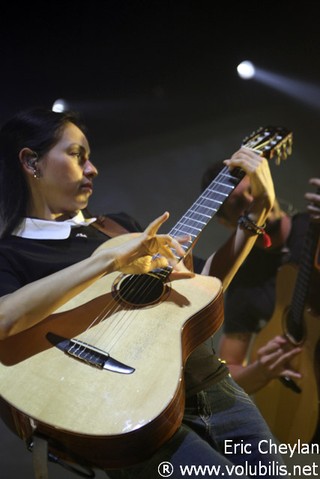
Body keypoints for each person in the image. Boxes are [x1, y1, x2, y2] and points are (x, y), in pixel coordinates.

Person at [0, 108, 288, 479]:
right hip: (127, 413)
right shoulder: (12, 252)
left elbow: (201, 292)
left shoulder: (117, 227)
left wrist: (258, 213)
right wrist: (105, 262)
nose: (92, 169)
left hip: (213, 387)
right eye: (77, 155)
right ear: (31, 161)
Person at [201, 162, 320, 395]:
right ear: (225, 222)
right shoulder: (243, 280)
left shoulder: (315, 226)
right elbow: (228, 368)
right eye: (237, 203)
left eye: (253, 190)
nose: (250, 201)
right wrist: (261, 370)